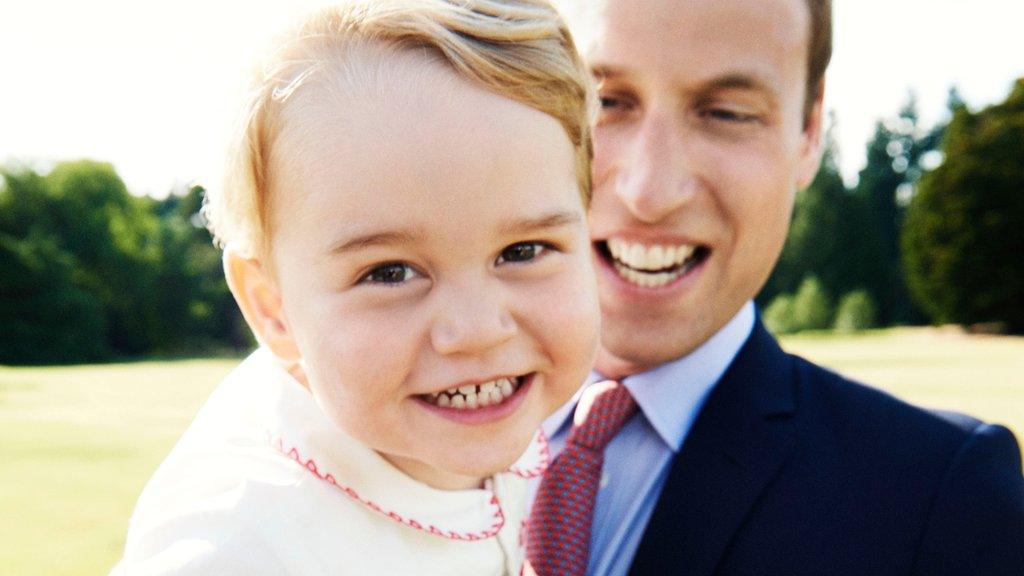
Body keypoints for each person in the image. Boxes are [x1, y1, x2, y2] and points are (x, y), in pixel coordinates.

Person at [526, 0, 1024, 575]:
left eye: (727, 113)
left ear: (809, 132)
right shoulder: (399, 427)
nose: (650, 190)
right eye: (604, 102)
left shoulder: (941, 501)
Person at [112, 1, 601, 574]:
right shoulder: (233, 550)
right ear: (273, 310)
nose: (476, 331)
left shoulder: (524, 429)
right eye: (389, 272)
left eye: (523, 252)